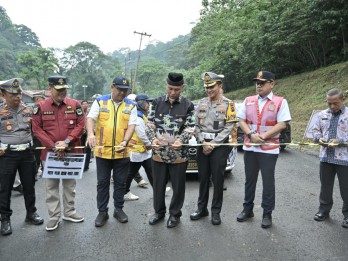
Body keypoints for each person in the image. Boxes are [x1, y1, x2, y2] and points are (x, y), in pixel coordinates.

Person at [236, 71, 291, 229]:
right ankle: (247, 210)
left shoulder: (280, 101)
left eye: (262, 82)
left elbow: (282, 124)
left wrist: (264, 136)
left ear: (272, 83)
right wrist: (251, 134)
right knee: (249, 180)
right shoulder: (248, 100)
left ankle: (267, 213)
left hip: (269, 148)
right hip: (251, 147)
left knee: (268, 182)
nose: (258, 85)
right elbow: (241, 120)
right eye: (257, 83)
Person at [32, 75, 85, 231]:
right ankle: (54, 216)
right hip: (50, 153)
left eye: (64, 90)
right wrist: (53, 145)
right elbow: (36, 129)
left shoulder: (75, 105)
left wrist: (67, 141)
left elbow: (80, 125)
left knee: (70, 185)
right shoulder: (40, 107)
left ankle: (69, 212)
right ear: (50, 89)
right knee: (51, 186)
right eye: (59, 90)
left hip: (71, 151)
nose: (63, 93)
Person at [86, 76, 137, 227]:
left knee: (120, 183)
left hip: (122, 151)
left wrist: (125, 141)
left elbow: (132, 125)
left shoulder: (131, 105)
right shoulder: (100, 101)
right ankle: (102, 212)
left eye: (125, 91)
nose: (122, 93)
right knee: (102, 183)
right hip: (103, 152)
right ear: (112, 87)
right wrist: (90, 134)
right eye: (120, 89)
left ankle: (118, 209)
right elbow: (90, 118)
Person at [146, 72, 195, 228]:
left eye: (176, 89)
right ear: (166, 85)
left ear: (182, 87)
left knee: (178, 186)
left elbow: (190, 127)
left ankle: (175, 215)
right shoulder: (156, 103)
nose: (173, 92)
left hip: (179, 154)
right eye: (170, 88)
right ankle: (159, 212)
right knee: (158, 185)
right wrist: (152, 139)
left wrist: (181, 140)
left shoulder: (188, 105)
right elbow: (149, 124)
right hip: (159, 153)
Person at [190, 72, 237, 225]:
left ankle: (216, 212)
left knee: (218, 180)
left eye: (211, 86)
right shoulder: (201, 103)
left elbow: (229, 126)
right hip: (202, 144)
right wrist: (203, 142)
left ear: (219, 86)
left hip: (219, 146)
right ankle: (202, 209)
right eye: (206, 87)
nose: (208, 90)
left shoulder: (228, 104)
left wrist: (214, 144)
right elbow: (195, 125)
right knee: (203, 179)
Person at [0, 78, 44, 236]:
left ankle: (31, 213)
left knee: (29, 185)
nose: (18, 96)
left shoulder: (28, 109)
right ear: (3, 94)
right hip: (7, 154)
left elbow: (36, 130)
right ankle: (5, 219)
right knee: (4, 188)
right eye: (13, 94)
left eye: (19, 93)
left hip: (27, 153)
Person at [311, 88, 348, 228]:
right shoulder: (321, 115)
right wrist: (318, 138)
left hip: (344, 159)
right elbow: (315, 130)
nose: (332, 106)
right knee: (325, 186)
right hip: (325, 157)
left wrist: (341, 141)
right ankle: (323, 211)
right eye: (329, 103)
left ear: (342, 100)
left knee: (346, 188)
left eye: (335, 103)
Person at [124, 94, 154, 201]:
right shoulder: (138, 116)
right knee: (131, 172)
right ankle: (125, 192)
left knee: (151, 170)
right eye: (147, 102)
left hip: (143, 151)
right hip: (137, 150)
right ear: (141, 103)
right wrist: (149, 144)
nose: (149, 105)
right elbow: (141, 134)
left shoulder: (141, 114)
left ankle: (158, 190)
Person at [32, 94, 45, 180]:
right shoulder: (31, 111)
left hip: (45, 137)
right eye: (38, 100)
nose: (40, 103)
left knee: (44, 155)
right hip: (36, 137)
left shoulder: (47, 110)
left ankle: (44, 170)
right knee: (36, 157)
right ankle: (35, 173)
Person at [80, 100, 91, 171]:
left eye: (86, 104)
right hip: (81, 132)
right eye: (83, 104)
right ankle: (80, 164)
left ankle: (86, 165)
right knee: (81, 148)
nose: (85, 105)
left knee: (87, 149)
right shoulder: (79, 112)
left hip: (89, 133)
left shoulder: (90, 112)